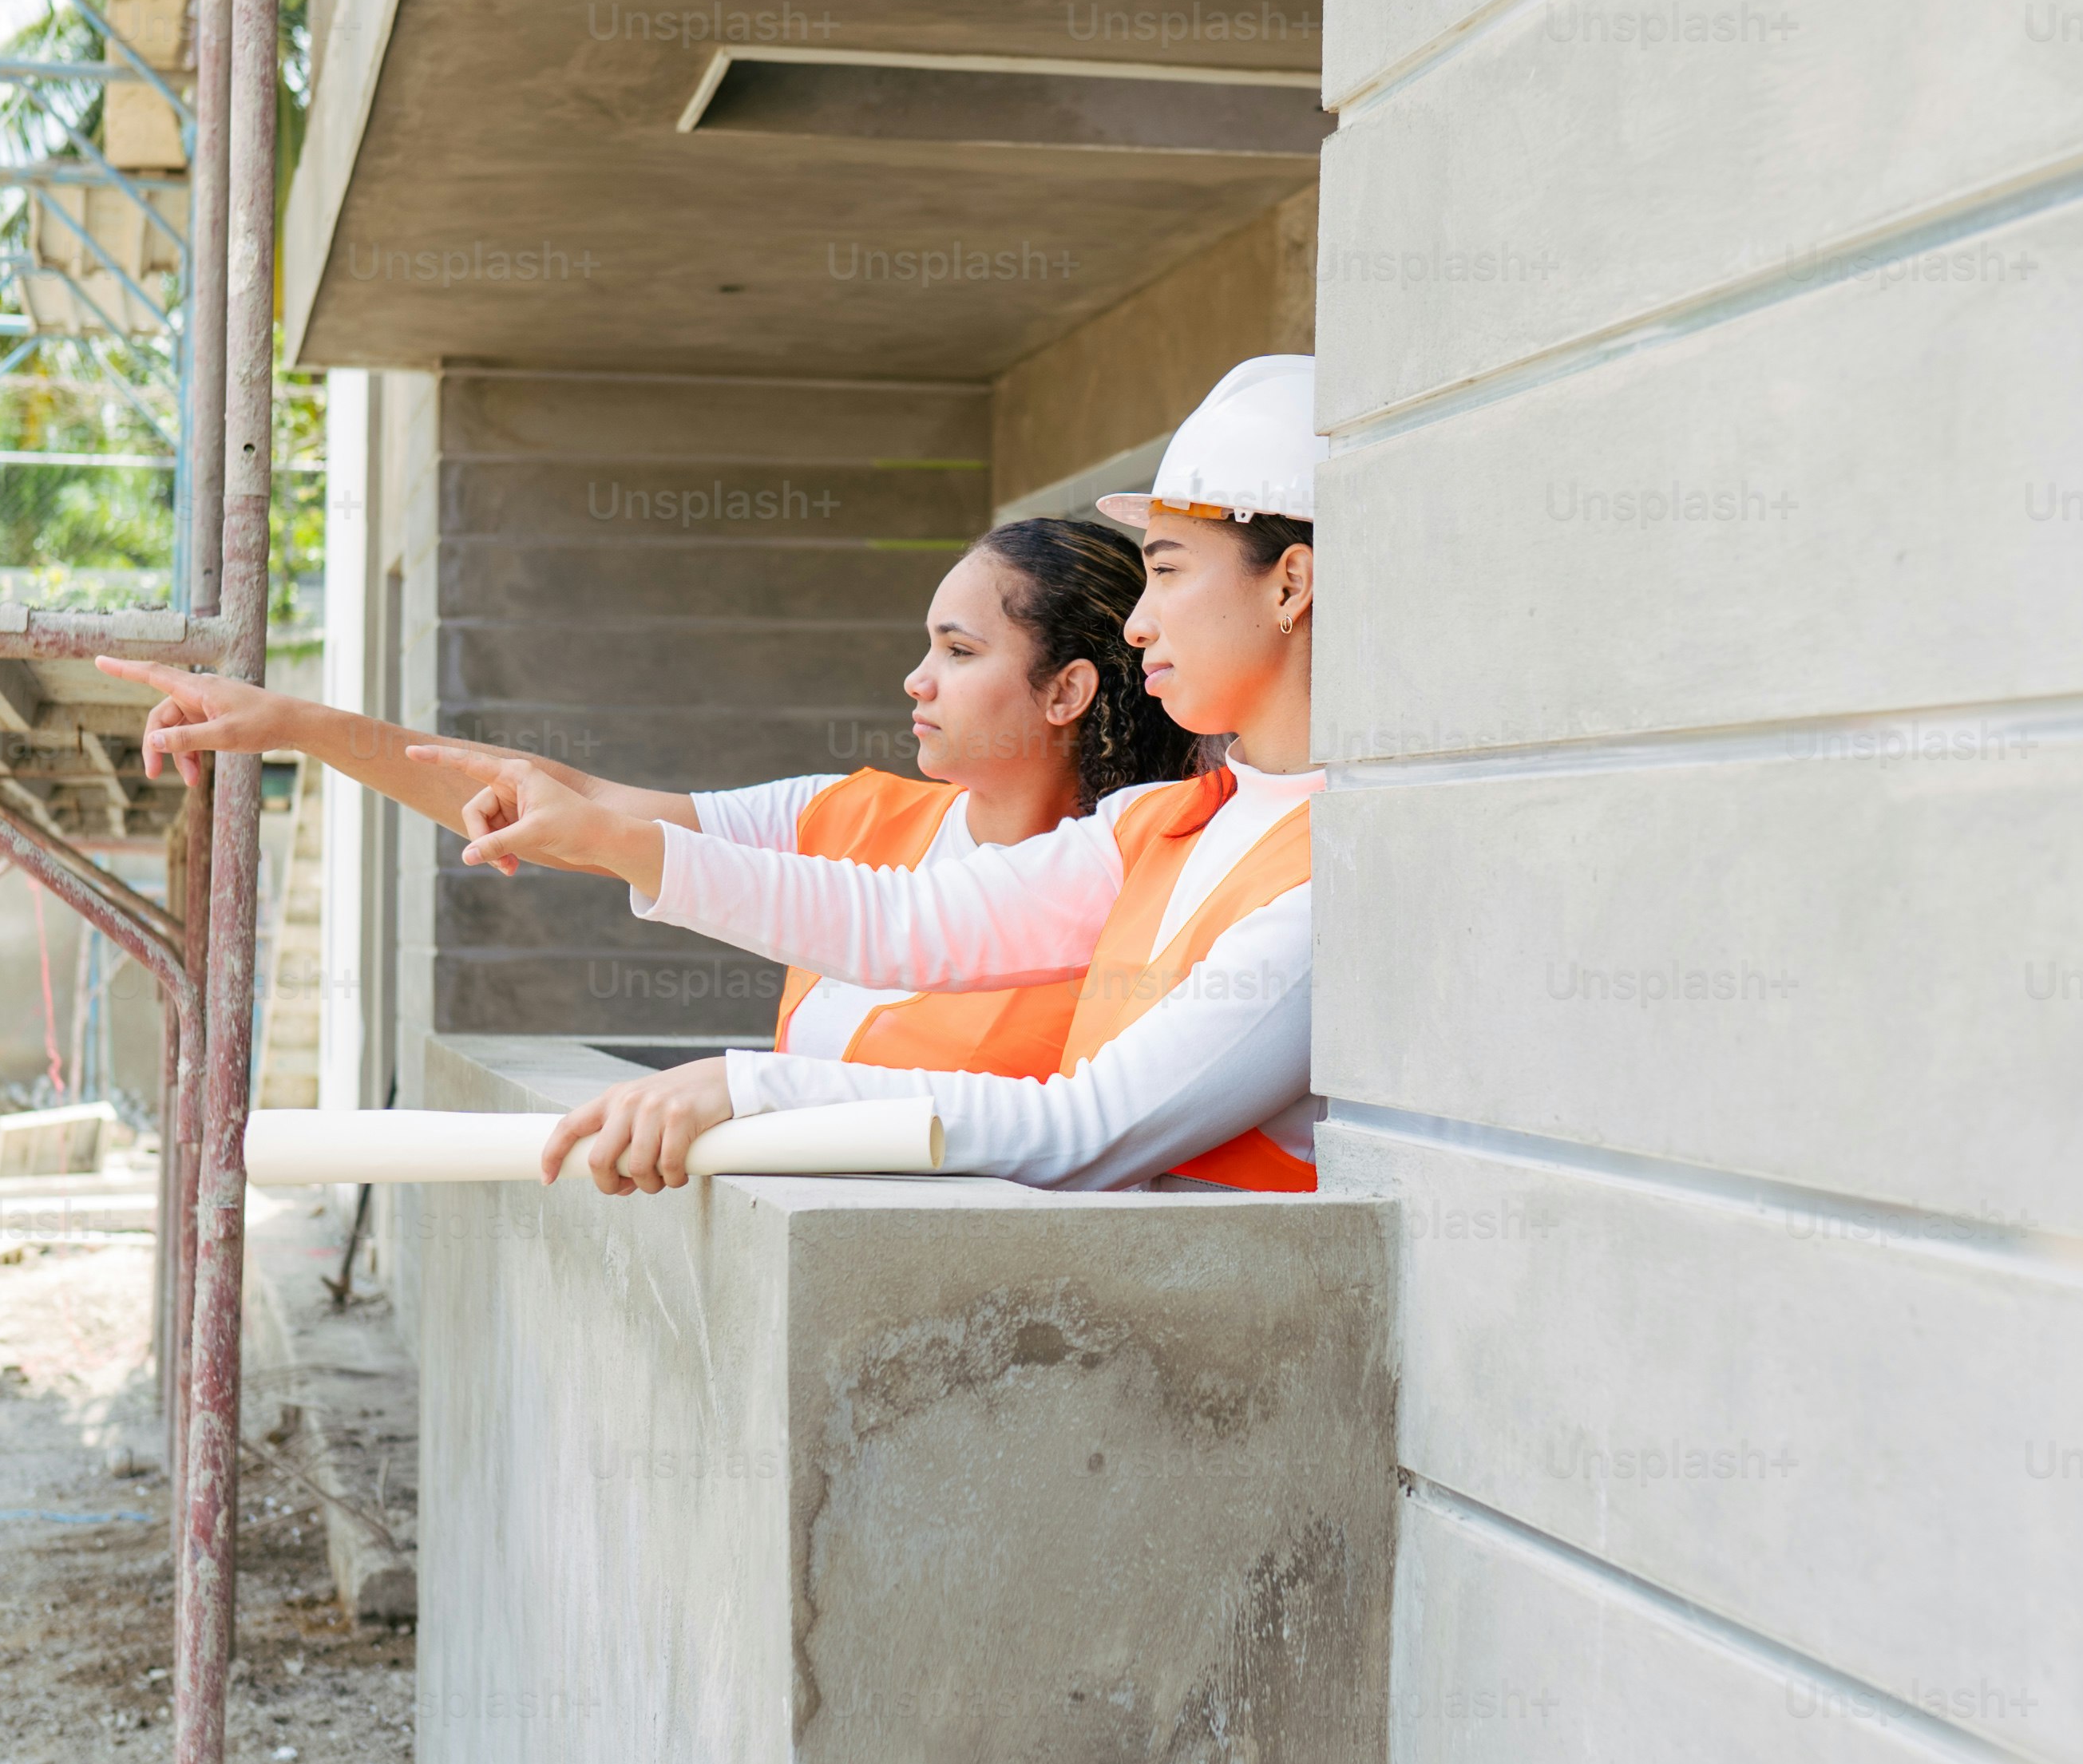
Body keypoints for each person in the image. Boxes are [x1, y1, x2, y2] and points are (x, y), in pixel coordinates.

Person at [447, 354, 1324, 1198]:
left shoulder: (1332, 871)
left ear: (1289, 586)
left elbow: (1086, 1132)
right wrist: (611, 840)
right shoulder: (1166, 820)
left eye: (1166, 569)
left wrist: (757, 1088)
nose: (1139, 625)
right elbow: (903, 921)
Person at [95, 513, 1194, 1081]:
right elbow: (555, 802)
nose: (916, 680)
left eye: (957, 651)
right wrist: (294, 724)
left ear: (1066, 690)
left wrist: (613, 840)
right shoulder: (856, 818)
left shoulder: (1137, 891)